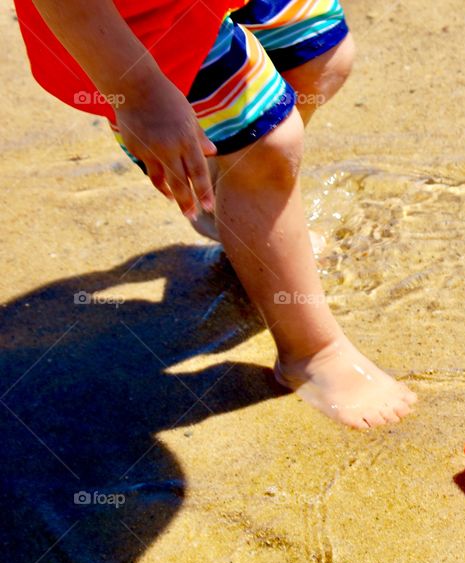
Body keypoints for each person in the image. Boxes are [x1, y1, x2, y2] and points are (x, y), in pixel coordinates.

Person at [14, 0, 417, 428]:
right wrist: (139, 93)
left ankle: (238, 203)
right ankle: (313, 352)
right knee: (269, 144)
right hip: (133, 34)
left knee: (320, 55)